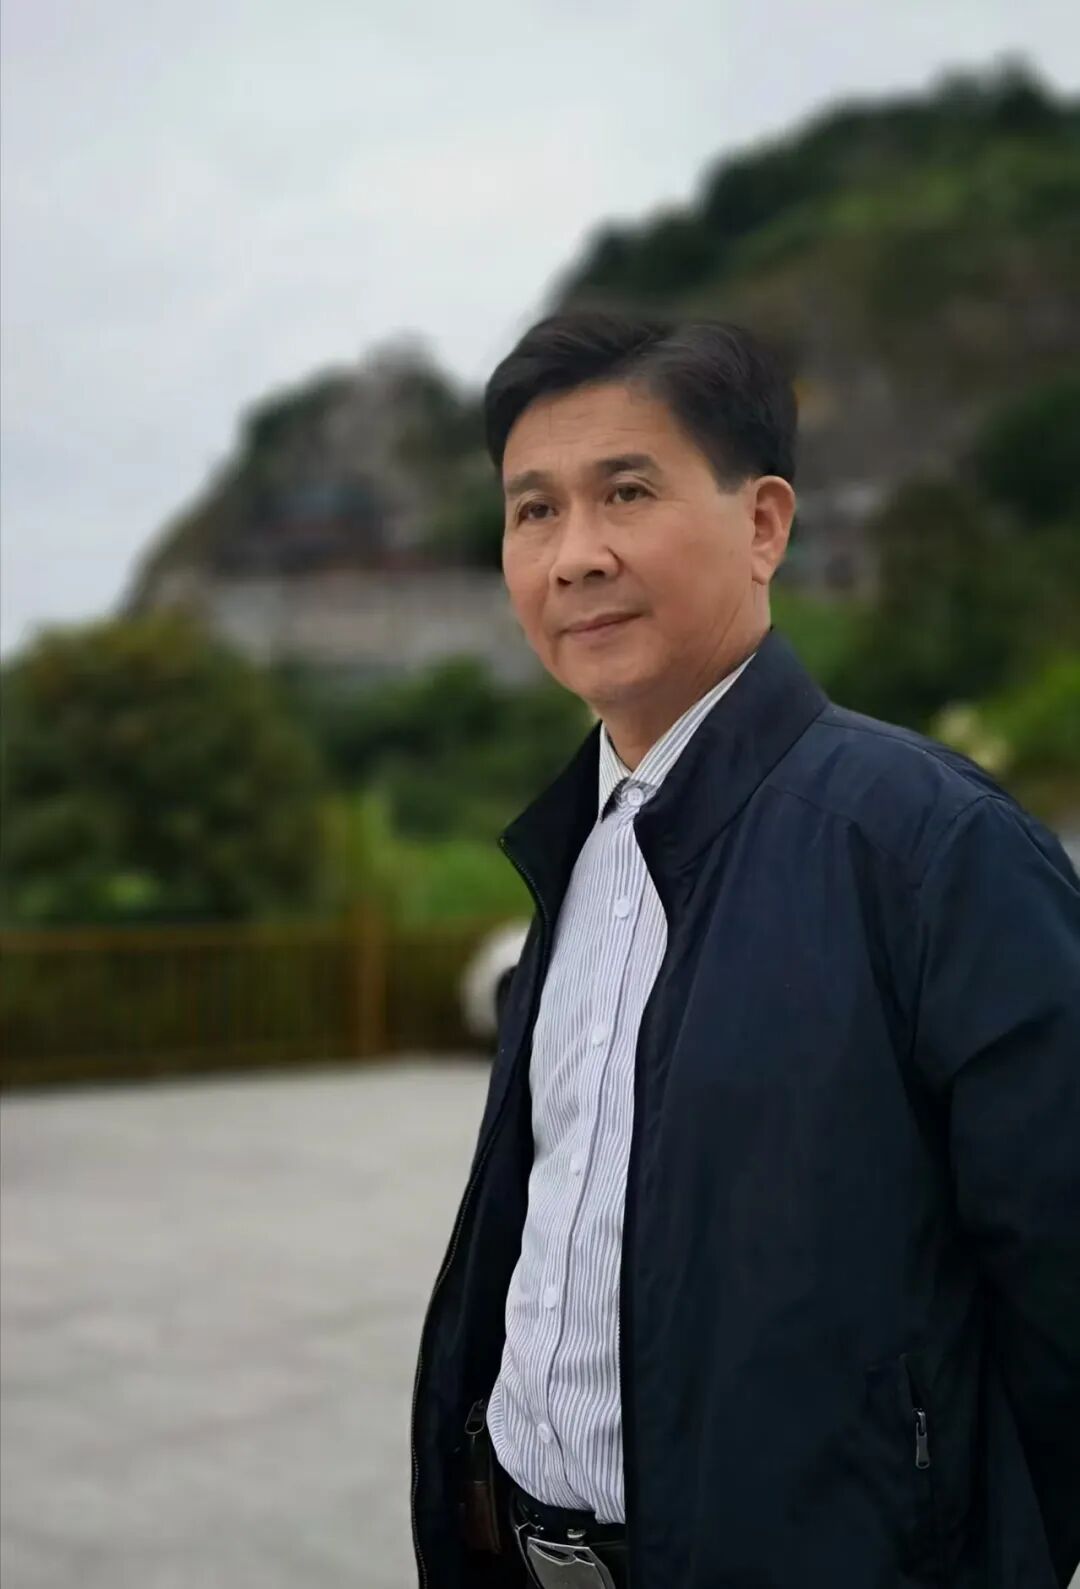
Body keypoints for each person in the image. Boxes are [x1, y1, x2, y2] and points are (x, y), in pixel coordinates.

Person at [410, 311, 1080, 1588]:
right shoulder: (577, 849)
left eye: (627, 492)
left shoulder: (929, 845)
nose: (576, 554)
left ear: (764, 523)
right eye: (534, 509)